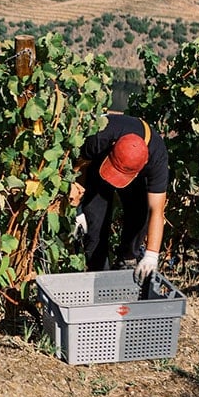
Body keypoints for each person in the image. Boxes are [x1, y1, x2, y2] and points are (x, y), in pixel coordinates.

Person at [69, 114, 169, 283]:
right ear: (114, 144)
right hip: (98, 164)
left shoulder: (157, 159)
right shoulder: (99, 136)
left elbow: (156, 211)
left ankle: (128, 259)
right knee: (94, 226)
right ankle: (100, 277)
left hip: (133, 174)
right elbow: (77, 169)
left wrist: (152, 255)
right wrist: (78, 210)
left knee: (140, 214)